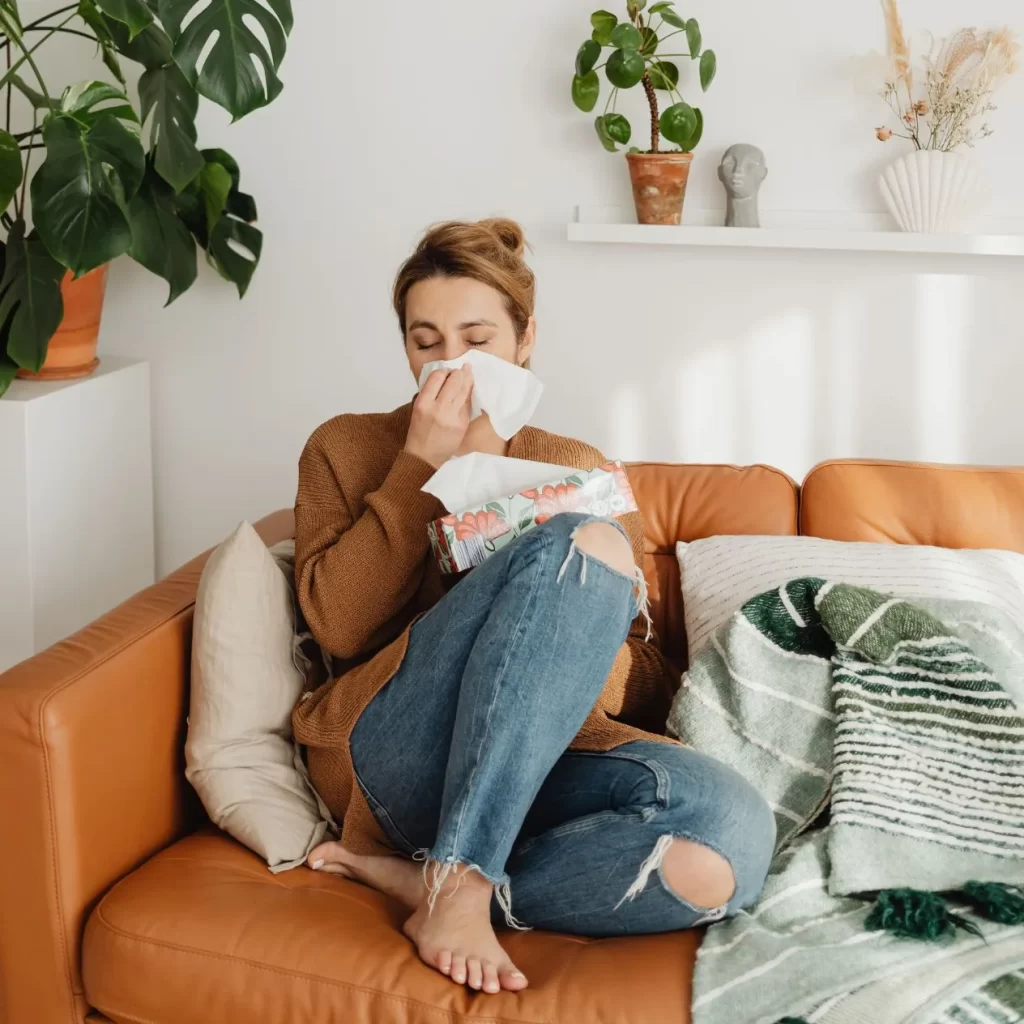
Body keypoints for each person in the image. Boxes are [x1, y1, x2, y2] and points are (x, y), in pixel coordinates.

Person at [292, 218, 775, 996]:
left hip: (537, 769)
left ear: (525, 342)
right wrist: (424, 465)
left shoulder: (577, 466)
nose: (450, 363)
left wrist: (557, 616)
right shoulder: (344, 448)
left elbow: (642, 684)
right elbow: (340, 626)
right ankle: (461, 882)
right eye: (426, 340)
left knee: (728, 838)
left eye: (477, 339)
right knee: (571, 545)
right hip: (390, 754)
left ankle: (446, 886)